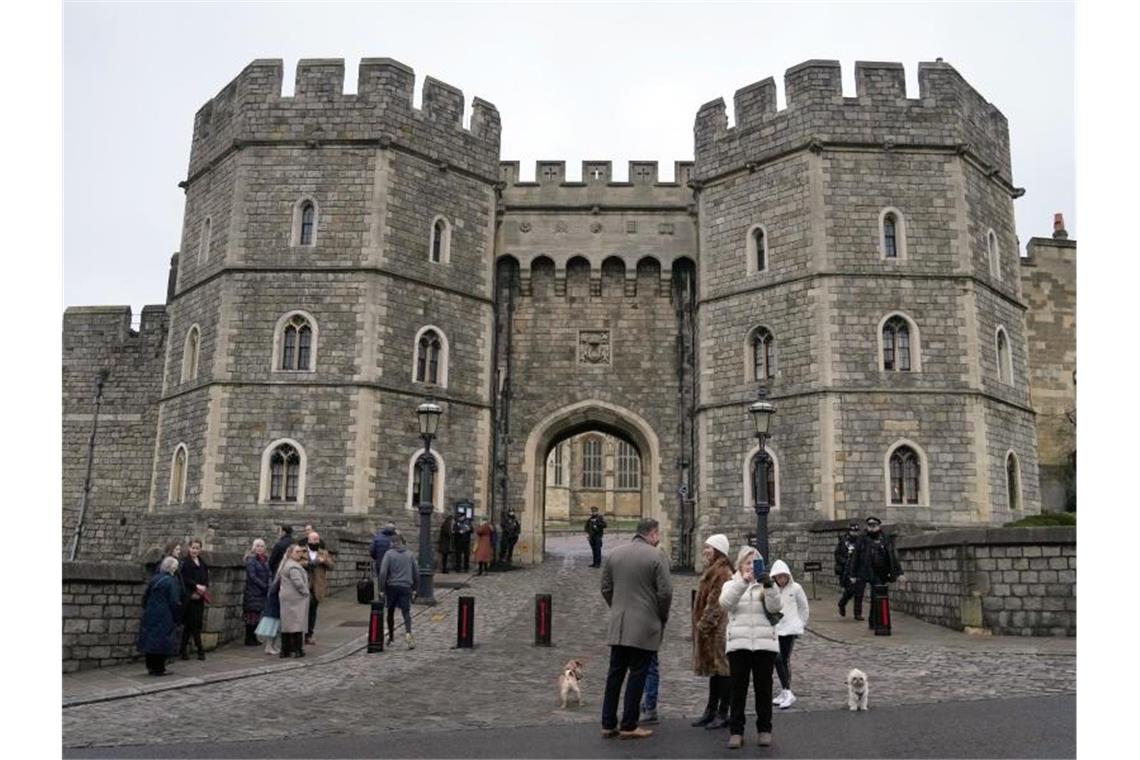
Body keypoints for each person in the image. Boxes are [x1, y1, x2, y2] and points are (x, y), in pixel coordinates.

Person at [599, 517, 673, 740]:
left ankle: (608, 723)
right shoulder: (656, 555)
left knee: (615, 674)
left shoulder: (614, 554)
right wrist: (660, 615)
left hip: (619, 623)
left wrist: (618, 607)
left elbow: (605, 587)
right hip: (644, 624)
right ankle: (629, 724)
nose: (658, 538)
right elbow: (665, 592)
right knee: (638, 673)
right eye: (657, 534)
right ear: (651, 534)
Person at [719, 545, 782, 749]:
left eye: (755, 563)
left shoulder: (767, 584)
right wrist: (743, 583)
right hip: (739, 643)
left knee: (764, 689)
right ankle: (736, 731)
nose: (751, 567)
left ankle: (765, 729)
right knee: (738, 689)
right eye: (747, 563)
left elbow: (775, 607)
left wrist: (769, 586)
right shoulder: (731, 584)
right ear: (740, 565)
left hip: (764, 643)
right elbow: (726, 604)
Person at [689, 533, 734, 730]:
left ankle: (723, 712)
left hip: (719, 630)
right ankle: (711, 710)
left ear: (718, 550)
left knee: (723, 671)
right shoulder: (714, 569)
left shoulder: (722, 572)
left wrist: (702, 627)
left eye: (709, 547)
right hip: (713, 630)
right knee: (715, 672)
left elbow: (715, 604)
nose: (705, 551)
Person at [850, 516, 906, 628]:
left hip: (881, 572)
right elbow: (855, 557)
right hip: (866, 570)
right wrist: (853, 574)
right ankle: (873, 621)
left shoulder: (885, 538)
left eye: (874, 525)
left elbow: (892, 557)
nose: (872, 527)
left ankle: (874, 621)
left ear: (879, 525)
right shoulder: (862, 538)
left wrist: (899, 573)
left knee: (877, 597)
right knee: (871, 595)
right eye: (869, 525)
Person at [769, 559, 810, 710]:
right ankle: (786, 690)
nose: (781, 580)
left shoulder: (796, 588)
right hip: (776, 628)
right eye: (778, 577)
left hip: (790, 629)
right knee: (777, 659)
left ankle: (786, 690)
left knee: (784, 659)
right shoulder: (772, 589)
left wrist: (800, 624)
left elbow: (804, 608)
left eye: (784, 577)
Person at [138, 556, 182, 676]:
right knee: (163, 641)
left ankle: (150, 666)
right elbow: (174, 601)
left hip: (151, 613)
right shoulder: (171, 581)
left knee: (151, 640)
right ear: (172, 568)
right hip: (164, 614)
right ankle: (159, 668)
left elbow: (145, 597)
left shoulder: (155, 578)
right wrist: (177, 616)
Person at [378, 533, 420, 649]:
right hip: (406, 586)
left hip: (391, 586)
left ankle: (391, 637)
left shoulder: (389, 554)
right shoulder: (409, 554)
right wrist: (415, 588)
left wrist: (381, 589)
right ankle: (408, 633)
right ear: (402, 542)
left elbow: (382, 573)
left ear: (392, 543)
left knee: (390, 612)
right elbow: (416, 573)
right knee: (406, 612)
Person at [301, 531, 335, 646]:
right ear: (308, 540)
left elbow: (332, 566)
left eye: (317, 540)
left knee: (312, 611)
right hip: (303, 585)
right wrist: (310, 563)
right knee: (302, 611)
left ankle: (309, 635)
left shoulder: (323, 553)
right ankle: (300, 633)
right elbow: (298, 562)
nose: (316, 542)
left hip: (317, 586)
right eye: (313, 539)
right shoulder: (301, 551)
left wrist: (324, 560)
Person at [277, 544, 310, 658]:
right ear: (291, 553)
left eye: (300, 551)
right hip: (295, 599)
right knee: (297, 624)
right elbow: (298, 583)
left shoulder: (288, 564)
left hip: (288, 598)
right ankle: (297, 650)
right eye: (297, 551)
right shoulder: (293, 566)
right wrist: (306, 592)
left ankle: (285, 650)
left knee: (287, 625)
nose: (299, 553)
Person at [179, 538, 210, 661]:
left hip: (199, 598)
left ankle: (182, 650)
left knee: (192, 625)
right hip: (190, 597)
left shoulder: (202, 563)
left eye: (197, 548)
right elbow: (184, 578)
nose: (195, 550)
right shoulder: (185, 563)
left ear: (200, 549)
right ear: (189, 548)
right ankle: (200, 650)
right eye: (193, 548)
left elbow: (206, 578)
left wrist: (204, 588)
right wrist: (195, 587)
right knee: (193, 625)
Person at [242, 538, 272, 646]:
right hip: (253, 592)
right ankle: (248, 638)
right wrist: (264, 586)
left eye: (262, 546)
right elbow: (252, 576)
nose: (260, 548)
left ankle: (253, 637)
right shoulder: (251, 560)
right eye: (257, 546)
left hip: (261, 593)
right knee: (251, 616)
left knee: (257, 616)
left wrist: (269, 584)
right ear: (254, 547)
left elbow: (269, 573)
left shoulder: (265, 559)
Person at [835, 522, 864, 619]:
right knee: (850, 590)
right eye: (853, 531)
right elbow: (837, 554)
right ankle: (842, 603)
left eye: (856, 531)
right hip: (846, 570)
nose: (855, 533)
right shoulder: (843, 541)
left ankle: (858, 613)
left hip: (858, 569)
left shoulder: (860, 542)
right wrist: (844, 561)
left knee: (859, 592)